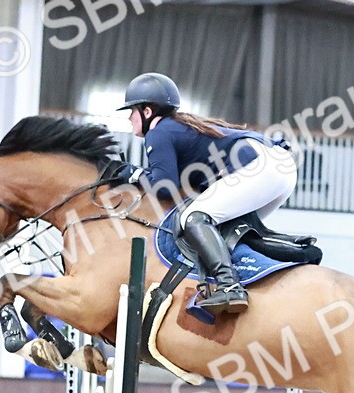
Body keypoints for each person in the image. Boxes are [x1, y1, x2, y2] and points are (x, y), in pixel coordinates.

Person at [111, 72, 297, 315]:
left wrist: (133, 174)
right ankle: (287, 252)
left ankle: (229, 286)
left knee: (194, 217)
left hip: (258, 166)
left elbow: (164, 186)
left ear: (147, 112)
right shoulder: (181, 126)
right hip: (280, 169)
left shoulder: (160, 132)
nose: (129, 118)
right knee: (227, 225)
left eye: (132, 111)